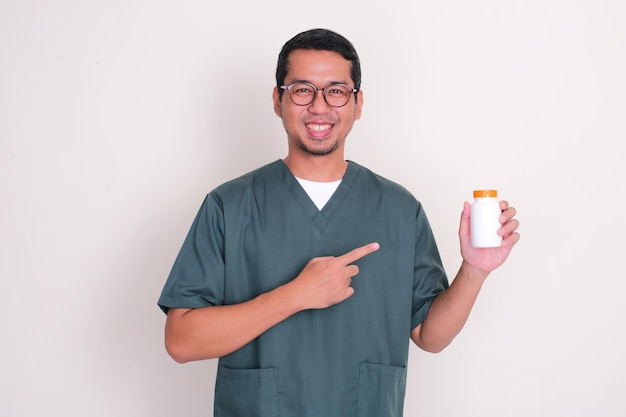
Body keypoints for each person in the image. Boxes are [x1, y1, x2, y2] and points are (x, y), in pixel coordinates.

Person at [158, 28, 520, 417]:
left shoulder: (399, 209)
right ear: (278, 100)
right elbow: (181, 341)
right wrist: (295, 296)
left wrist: (475, 271)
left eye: (336, 90)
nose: (319, 107)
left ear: (357, 103)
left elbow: (430, 336)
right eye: (302, 90)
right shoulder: (229, 206)